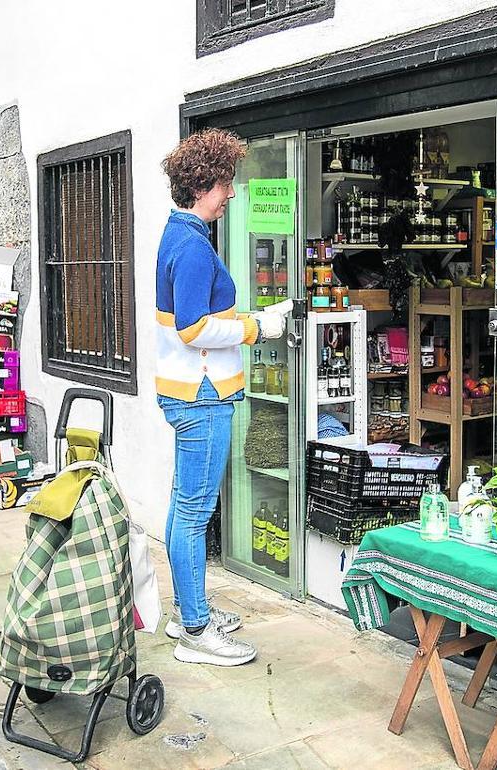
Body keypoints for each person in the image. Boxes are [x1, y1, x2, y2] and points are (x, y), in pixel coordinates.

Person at [156, 129, 286, 667]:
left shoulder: (180, 234)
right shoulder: (191, 245)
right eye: (227, 182)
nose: (232, 193)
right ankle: (196, 630)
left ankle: (189, 608)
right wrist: (257, 327)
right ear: (206, 184)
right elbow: (192, 329)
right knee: (193, 513)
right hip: (202, 395)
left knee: (181, 509)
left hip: (187, 392)